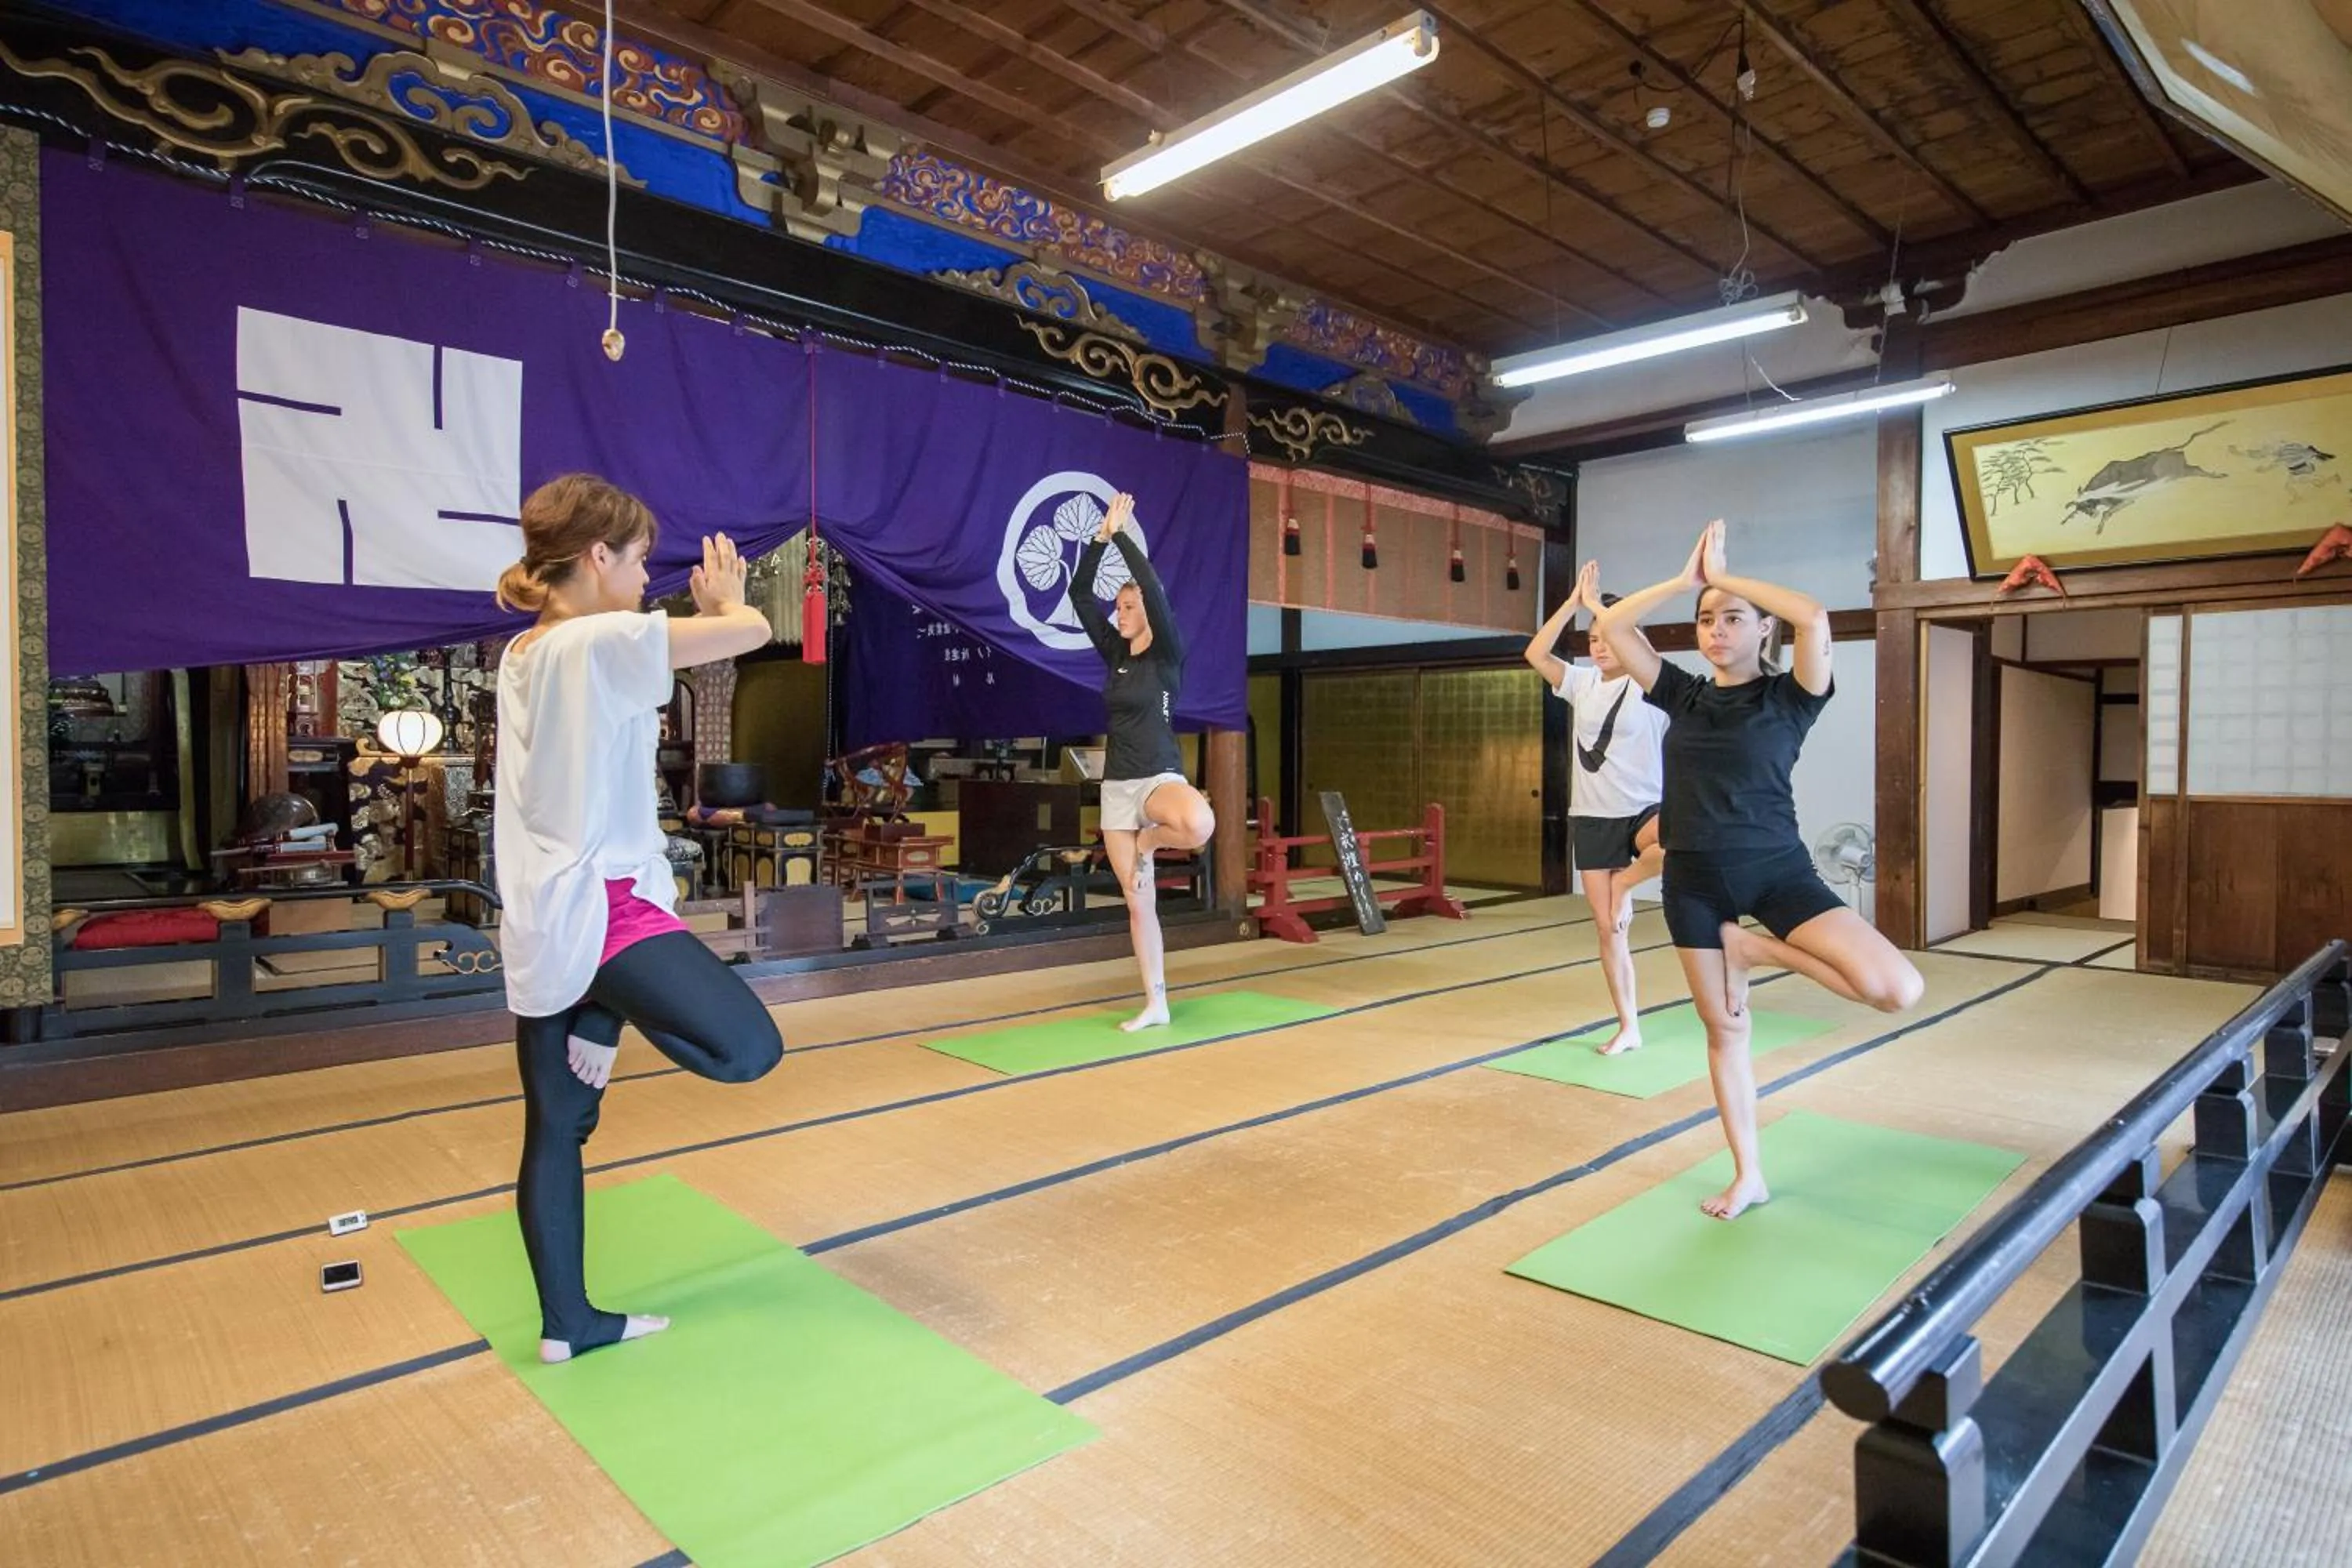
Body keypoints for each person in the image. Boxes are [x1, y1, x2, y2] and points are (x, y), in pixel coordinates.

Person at [492, 474, 782, 1361]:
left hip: (542, 914)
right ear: (597, 556)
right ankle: (603, 1003)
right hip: (605, 908)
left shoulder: (526, 650)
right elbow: (753, 631)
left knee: (557, 1125)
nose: (646, 575)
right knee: (748, 1048)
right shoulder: (594, 640)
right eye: (641, 558)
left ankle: (567, 1322)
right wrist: (730, 599)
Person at [1593, 519, 1923, 1220]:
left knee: (1895, 988)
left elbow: (1814, 615)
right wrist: (1686, 583)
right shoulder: (1682, 694)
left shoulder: (1793, 697)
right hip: (1693, 881)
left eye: (1733, 619)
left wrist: (1727, 574)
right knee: (1726, 1035)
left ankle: (1758, 949)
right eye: (1707, 621)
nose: (1716, 630)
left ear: (1763, 631)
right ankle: (1748, 1174)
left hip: (1778, 873)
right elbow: (1616, 626)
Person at [1071, 492, 1216, 1032]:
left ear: (1149, 615)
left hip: (1158, 779)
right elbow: (1079, 595)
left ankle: (1154, 842)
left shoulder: (1167, 654)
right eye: (1120, 607)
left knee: (1200, 823)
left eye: (1128, 608)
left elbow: (1151, 587)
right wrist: (1098, 540)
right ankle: (1156, 1002)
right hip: (1117, 791)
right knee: (1139, 905)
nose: (1119, 613)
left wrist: (1126, 534)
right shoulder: (1116, 653)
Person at [1524, 558, 1667, 1055]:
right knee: (1609, 931)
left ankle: (1627, 884)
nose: (1601, 646)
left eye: (1610, 636)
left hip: (1645, 807)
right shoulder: (1581, 683)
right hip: (1593, 816)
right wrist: (1572, 604)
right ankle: (1629, 1025)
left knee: (1674, 846)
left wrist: (1606, 610)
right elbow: (1536, 652)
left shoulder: (1651, 683)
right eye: (1593, 639)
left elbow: (1640, 647)